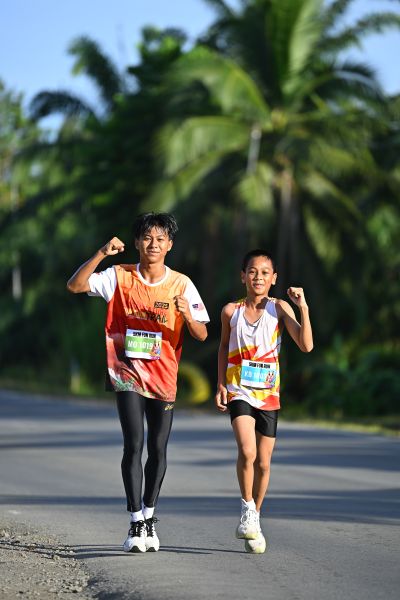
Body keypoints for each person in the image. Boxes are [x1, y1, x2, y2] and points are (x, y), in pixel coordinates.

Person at [67, 213, 209, 553]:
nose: (153, 244)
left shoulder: (181, 284)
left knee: (158, 449)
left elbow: (202, 333)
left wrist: (187, 315)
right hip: (127, 374)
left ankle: (149, 515)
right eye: (147, 238)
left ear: (170, 245)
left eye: (160, 239)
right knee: (134, 444)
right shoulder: (119, 276)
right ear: (137, 243)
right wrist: (101, 253)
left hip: (164, 379)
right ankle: (134, 521)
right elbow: (75, 286)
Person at [215, 249, 313, 553]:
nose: (258, 277)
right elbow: (223, 347)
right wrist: (220, 384)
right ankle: (247, 507)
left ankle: (254, 516)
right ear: (243, 276)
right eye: (252, 271)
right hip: (239, 390)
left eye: (265, 272)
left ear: (274, 279)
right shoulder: (230, 311)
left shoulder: (279, 308)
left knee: (264, 462)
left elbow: (306, 345)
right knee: (247, 451)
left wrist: (303, 307)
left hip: (269, 394)